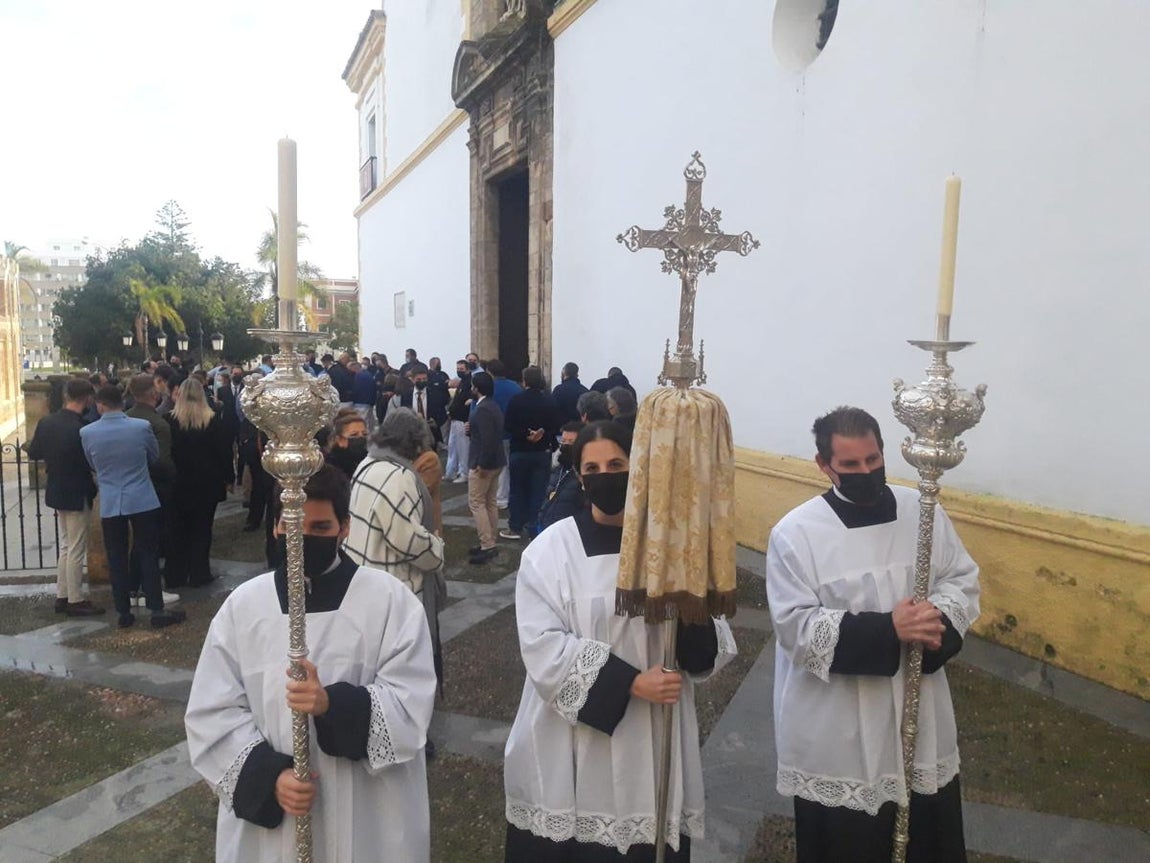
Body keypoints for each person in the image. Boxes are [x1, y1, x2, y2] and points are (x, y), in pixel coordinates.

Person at [503, 421, 736, 862]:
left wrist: (690, 598)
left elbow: (704, 646)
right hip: (570, 735)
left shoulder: (671, 545)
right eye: (591, 467)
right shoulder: (551, 551)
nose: (604, 474)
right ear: (579, 476)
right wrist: (629, 682)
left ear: (640, 467)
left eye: (616, 463)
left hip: (653, 732)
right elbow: (542, 647)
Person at [185, 465, 437, 862]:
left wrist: (330, 705)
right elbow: (211, 712)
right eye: (293, 527)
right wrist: (269, 777)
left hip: (368, 811)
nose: (303, 540)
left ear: (345, 528)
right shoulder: (244, 607)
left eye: (320, 529)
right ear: (276, 528)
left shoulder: (391, 603)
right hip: (282, 818)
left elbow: (411, 703)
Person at [765, 406, 980, 863]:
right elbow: (795, 627)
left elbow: (960, 578)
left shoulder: (921, 511)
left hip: (917, 709)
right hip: (837, 724)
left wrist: (933, 620)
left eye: (872, 460)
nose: (866, 471)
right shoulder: (795, 534)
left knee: (928, 836)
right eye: (850, 465)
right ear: (824, 466)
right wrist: (889, 629)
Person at [345, 408, 448, 698]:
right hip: (394, 585)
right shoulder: (398, 476)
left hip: (364, 572)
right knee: (402, 668)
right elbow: (407, 540)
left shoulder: (367, 463)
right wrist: (436, 548)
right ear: (414, 441)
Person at [81, 385, 185, 629]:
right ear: (122, 402)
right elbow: (153, 456)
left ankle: (123, 611)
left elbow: (91, 462)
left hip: (111, 500)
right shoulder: (141, 428)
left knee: (116, 557)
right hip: (141, 496)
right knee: (148, 553)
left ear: (100, 404)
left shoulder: (87, 432)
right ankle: (156, 608)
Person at [26, 379, 103, 617]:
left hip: (57, 487)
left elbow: (35, 452)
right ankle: (75, 599)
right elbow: (88, 460)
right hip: (77, 489)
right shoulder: (81, 427)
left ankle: (63, 594)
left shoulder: (47, 421)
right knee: (76, 545)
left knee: (67, 544)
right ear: (87, 399)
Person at [166, 379, 234, 588]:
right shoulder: (213, 421)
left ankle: (176, 573)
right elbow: (224, 452)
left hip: (178, 482)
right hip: (207, 483)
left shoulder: (169, 421)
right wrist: (229, 478)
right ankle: (199, 572)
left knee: (177, 529)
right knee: (202, 528)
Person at [126, 374, 179, 599]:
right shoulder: (158, 423)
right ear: (153, 395)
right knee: (151, 542)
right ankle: (151, 590)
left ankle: (132, 586)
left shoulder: (126, 418)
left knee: (138, 541)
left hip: (129, 486)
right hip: (155, 488)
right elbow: (162, 461)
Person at [502, 366, 560, 541]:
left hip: (520, 450)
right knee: (539, 491)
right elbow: (555, 425)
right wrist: (541, 433)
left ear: (525, 380)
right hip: (542, 452)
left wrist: (526, 435)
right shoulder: (549, 401)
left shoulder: (516, 400)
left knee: (518, 490)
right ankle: (535, 525)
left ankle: (516, 526)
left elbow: (509, 425)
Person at [466, 372, 505, 564]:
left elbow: (488, 439)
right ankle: (491, 539)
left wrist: (481, 463)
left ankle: (487, 543)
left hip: (484, 463)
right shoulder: (492, 405)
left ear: (477, 388)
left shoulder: (482, 409)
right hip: (496, 461)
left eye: (473, 386)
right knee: (490, 502)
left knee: (476, 503)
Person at [533, 421, 584, 535]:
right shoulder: (558, 468)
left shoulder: (583, 476)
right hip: (546, 527)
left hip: (568, 533)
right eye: (563, 441)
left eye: (571, 442)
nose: (565, 445)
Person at [486, 359, 522, 510]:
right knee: (509, 466)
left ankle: (500, 497)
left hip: (495, 433)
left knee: (499, 467)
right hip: (513, 432)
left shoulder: (490, 388)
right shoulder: (515, 387)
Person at [400, 363, 448, 447]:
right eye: (418, 379)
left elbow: (442, 414)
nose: (422, 381)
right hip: (412, 435)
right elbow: (403, 413)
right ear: (412, 379)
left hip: (431, 435)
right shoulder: (406, 395)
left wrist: (436, 423)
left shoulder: (435, 394)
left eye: (424, 379)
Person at [444, 359, 472, 483]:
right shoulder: (462, 382)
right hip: (455, 418)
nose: (459, 371)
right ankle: (451, 472)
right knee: (452, 446)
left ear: (467, 369)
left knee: (463, 448)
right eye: (458, 369)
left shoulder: (469, 383)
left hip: (462, 420)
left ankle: (464, 473)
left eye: (461, 369)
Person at [324, 411, 369, 480]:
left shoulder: (369, 461)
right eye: (354, 435)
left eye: (364, 434)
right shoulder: (330, 467)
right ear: (339, 440)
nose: (361, 438)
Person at [349, 361, 378, 428]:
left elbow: (356, 389)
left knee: (361, 422)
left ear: (354, 368)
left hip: (360, 402)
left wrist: (351, 395)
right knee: (370, 422)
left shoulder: (358, 376)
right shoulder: (369, 374)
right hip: (369, 402)